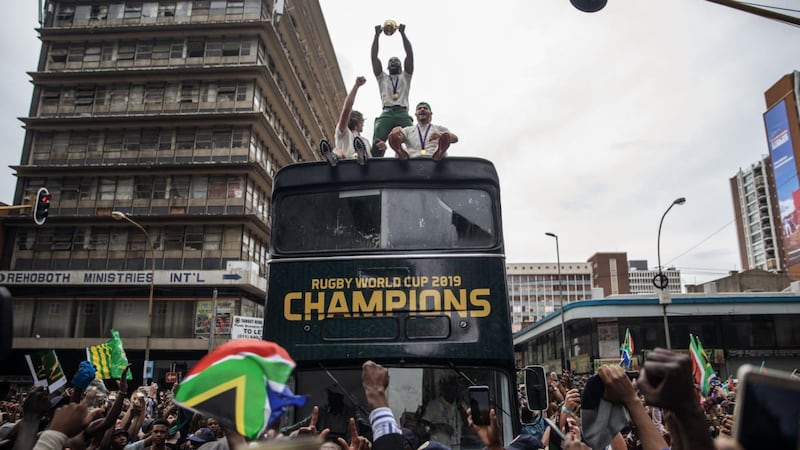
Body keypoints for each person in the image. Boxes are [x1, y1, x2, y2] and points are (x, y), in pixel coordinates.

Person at [370, 23, 414, 157]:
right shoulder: (382, 77)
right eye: (390, 61)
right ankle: (375, 160)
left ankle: (414, 156)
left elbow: (410, 55)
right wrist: (377, 36)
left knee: (413, 136)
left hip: (402, 113)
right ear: (387, 67)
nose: (393, 62)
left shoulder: (406, 76)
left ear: (401, 66)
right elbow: (374, 57)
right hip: (387, 112)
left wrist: (402, 34)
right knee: (378, 134)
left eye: (396, 61)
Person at [320, 76, 370, 167]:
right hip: (346, 163)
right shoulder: (344, 132)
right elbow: (346, 109)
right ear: (358, 121)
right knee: (337, 150)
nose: (363, 124)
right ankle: (333, 157)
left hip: (362, 166)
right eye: (362, 121)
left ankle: (360, 156)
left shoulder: (365, 141)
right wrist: (356, 86)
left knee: (337, 149)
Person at [387, 102, 458, 160]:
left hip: (432, 155)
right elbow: (396, 139)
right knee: (402, 149)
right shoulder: (408, 129)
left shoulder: (439, 128)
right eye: (419, 108)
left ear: (431, 113)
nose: (422, 109)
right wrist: (395, 132)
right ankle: (401, 153)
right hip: (412, 157)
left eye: (425, 108)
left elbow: (455, 139)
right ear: (415, 114)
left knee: (442, 148)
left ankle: (439, 152)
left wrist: (441, 135)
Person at [421, 375, 466, 450]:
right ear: (445, 390)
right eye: (451, 388)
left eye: (456, 389)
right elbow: (423, 426)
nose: (454, 391)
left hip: (456, 446)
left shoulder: (461, 405)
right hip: (439, 446)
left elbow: (467, 424)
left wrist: (460, 407)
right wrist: (439, 427)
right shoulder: (434, 405)